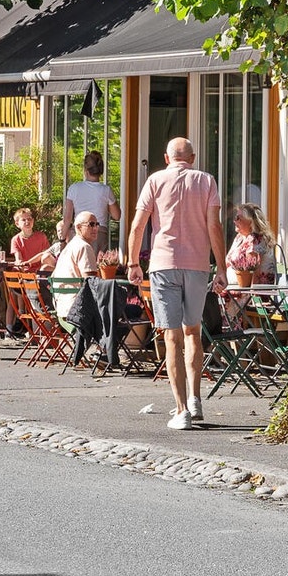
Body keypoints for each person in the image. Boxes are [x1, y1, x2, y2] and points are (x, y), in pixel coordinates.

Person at [126, 137, 226, 431]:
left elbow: (138, 224)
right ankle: (195, 398)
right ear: (192, 158)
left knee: (171, 337)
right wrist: (221, 267)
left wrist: (133, 262)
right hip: (196, 265)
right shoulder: (206, 181)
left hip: (164, 264)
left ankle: (181, 409)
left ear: (167, 158)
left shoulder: (155, 180)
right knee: (193, 331)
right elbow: (214, 226)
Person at [62, 151, 121, 241]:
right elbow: (117, 215)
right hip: (99, 232)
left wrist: (62, 239)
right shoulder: (106, 190)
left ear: (86, 170)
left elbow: (67, 218)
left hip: (79, 232)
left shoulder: (74, 188)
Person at [226, 203, 277, 284]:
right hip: (231, 289)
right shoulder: (239, 238)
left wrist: (252, 294)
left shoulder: (256, 239)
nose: (234, 221)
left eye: (238, 218)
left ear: (251, 222)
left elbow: (253, 271)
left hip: (246, 291)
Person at [53, 210, 101, 281]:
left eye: (97, 224)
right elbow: (91, 282)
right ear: (79, 227)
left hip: (61, 292)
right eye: (91, 224)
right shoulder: (84, 247)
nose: (95, 228)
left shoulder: (69, 247)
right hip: (76, 292)